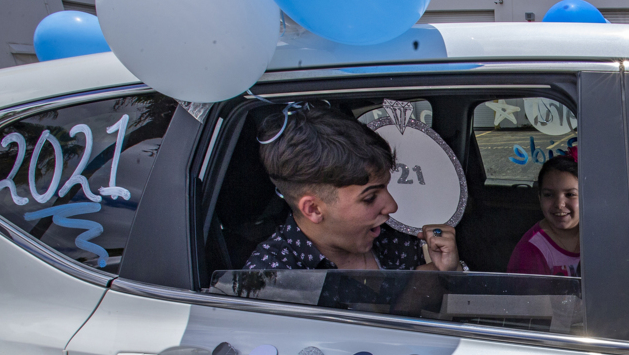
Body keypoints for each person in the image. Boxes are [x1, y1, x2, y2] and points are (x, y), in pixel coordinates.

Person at [244, 104, 461, 271]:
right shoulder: (272, 276)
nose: (392, 206)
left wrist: (447, 272)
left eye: (385, 187)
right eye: (369, 197)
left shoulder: (393, 239)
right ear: (313, 209)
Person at [507, 154, 580, 276]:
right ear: (539, 198)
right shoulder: (530, 250)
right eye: (548, 195)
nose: (559, 204)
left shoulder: (599, 235)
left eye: (570, 194)